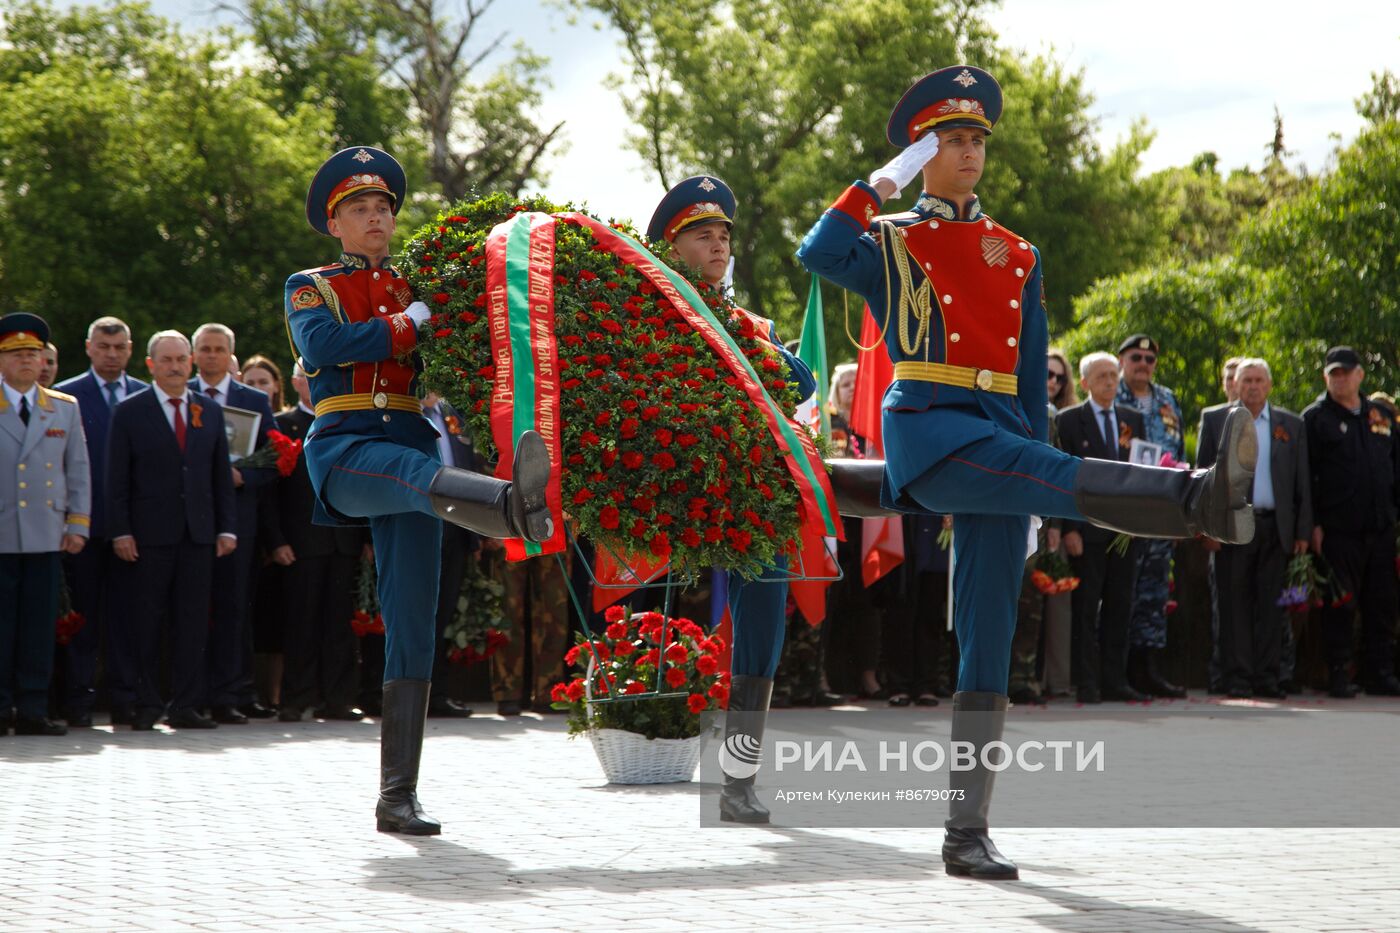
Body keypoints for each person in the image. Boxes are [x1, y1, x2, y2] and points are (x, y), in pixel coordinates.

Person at [797, 64, 1256, 880]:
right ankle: (1198, 497)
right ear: (921, 151)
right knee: (1057, 476)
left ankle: (965, 832)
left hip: (1003, 439)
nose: (969, 151)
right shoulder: (893, 237)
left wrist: (1030, 480)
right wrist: (876, 186)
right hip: (933, 432)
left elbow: (1019, 365)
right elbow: (821, 252)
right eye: (951, 139)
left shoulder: (1018, 252)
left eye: (976, 139)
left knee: (988, 639)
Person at [286, 146, 555, 836]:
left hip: (415, 455)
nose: (375, 218)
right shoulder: (311, 284)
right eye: (360, 210)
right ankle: (501, 504)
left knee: (414, 621)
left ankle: (397, 795)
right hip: (347, 448)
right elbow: (322, 348)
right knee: (411, 475)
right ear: (335, 225)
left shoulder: (416, 285)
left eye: (383, 208)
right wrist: (411, 323)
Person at [647, 174, 820, 824]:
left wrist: (756, 343)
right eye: (702, 234)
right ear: (672, 246)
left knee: (761, 635)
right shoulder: (659, 313)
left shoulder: (747, 320)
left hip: (753, 491)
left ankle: (738, 781)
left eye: (722, 235)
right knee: (680, 617)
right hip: (684, 489)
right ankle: (654, 731)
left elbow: (800, 382)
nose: (717, 244)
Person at [107, 331, 237, 730]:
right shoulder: (130, 411)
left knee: (193, 622)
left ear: (191, 362)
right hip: (148, 536)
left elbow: (219, 476)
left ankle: (186, 704)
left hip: (198, 535)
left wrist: (226, 528)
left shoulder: (209, 411)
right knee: (146, 621)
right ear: (150, 365)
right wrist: (121, 531)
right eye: (167, 360)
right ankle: (146, 703)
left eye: (182, 359)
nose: (176, 366)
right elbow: (117, 479)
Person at [1197, 358, 1310, 699]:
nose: (1253, 386)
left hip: (1275, 527)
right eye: (1246, 380)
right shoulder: (1216, 419)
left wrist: (1303, 531)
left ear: (1269, 385)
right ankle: (1238, 676)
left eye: (1259, 380)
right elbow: (1202, 476)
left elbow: (1301, 481)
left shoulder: (1290, 424)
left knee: (1271, 606)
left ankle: (1268, 676)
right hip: (1231, 526)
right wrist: (1207, 529)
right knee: (1234, 606)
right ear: (1236, 384)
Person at [54, 316, 147, 726]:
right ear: (89, 347)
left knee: (129, 620)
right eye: (104, 347)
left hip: (133, 531)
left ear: (130, 350)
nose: (112, 355)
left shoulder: (147, 397)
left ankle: (126, 700)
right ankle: (78, 702)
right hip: (83, 529)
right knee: (83, 620)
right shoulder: (64, 398)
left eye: (120, 347)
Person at [0, 313, 89, 736]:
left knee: (38, 627)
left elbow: (78, 469)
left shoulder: (63, 408)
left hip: (44, 532)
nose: (26, 361)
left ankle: (34, 708)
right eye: (16, 354)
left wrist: (78, 525)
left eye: (32, 354)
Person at [263, 364, 366, 722]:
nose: (316, 382)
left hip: (344, 539)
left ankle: (338, 699)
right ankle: (295, 698)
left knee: (340, 625)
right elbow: (270, 493)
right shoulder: (280, 424)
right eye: (308, 375)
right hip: (300, 542)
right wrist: (275, 540)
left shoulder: (347, 420)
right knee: (300, 623)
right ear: (294, 382)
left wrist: (366, 537)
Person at [191, 322, 280, 723]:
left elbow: (278, 457)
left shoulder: (253, 400)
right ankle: (189, 693)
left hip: (239, 519)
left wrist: (246, 476)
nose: (211, 356)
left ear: (231, 356)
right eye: (205, 349)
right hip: (187, 519)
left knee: (233, 609)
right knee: (189, 609)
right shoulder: (179, 394)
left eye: (219, 350)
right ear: (195, 355)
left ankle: (229, 693)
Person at [1302, 347, 1400, 698]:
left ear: (1360, 375)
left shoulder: (1381, 414)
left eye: (1346, 372)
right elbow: (1305, 476)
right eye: (1333, 373)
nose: (1339, 378)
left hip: (1381, 528)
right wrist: (1310, 524)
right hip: (1338, 530)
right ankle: (1338, 672)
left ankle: (1379, 671)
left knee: (1382, 603)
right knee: (1339, 605)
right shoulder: (1315, 418)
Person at [1056, 352, 1148, 703]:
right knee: (1085, 608)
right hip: (1087, 526)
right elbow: (1064, 477)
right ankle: (1087, 682)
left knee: (1120, 605)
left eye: (1113, 375)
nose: (1110, 382)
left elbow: (1141, 470)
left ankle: (1115, 680)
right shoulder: (1069, 421)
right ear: (1085, 383)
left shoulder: (1132, 419)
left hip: (1124, 528)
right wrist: (1069, 528)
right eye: (1102, 376)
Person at [1115, 334, 1188, 699]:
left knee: (1155, 592)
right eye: (1135, 357)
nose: (1143, 363)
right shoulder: (1111, 396)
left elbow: (1180, 454)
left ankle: (1147, 669)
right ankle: (1116, 670)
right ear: (1122, 361)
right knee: (1119, 591)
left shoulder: (1167, 399)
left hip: (1160, 510)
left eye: (1149, 358)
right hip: (1122, 512)